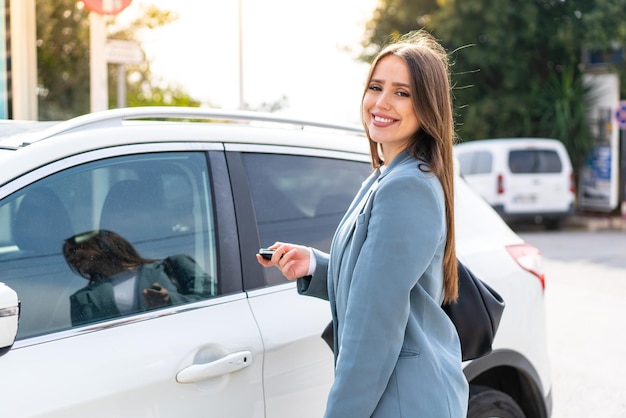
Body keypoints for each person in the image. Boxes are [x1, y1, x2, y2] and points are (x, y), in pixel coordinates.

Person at [257, 30, 469, 417]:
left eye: (402, 93)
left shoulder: (407, 187)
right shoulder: (387, 176)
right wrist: (317, 266)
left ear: (427, 106)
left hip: (406, 401)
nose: (381, 103)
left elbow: (374, 329)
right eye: (376, 87)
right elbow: (381, 283)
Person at [63, 229, 205, 326]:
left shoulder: (174, 265)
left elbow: (212, 299)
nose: (71, 257)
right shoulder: (81, 299)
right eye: (67, 255)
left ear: (101, 245)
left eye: (74, 250)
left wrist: (169, 301)